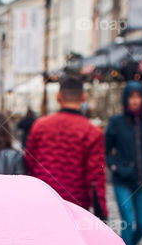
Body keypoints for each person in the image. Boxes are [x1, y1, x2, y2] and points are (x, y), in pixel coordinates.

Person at [24, 74, 107, 216]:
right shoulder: (92, 132)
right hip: (75, 204)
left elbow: (29, 163)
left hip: (43, 199)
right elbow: (95, 176)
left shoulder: (40, 126)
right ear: (83, 97)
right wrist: (102, 212)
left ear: (58, 97)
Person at [104, 81, 142, 245]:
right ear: (126, 99)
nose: (135, 101)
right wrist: (116, 167)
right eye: (131, 97)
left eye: (138, 96)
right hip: (122, 181)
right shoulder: (117, 122)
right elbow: (106, 151)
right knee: (128, 222)